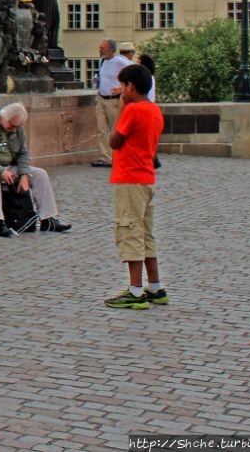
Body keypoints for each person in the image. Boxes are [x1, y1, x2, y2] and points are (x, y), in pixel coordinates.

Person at [103, 65, 167, 309]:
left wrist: (121, 109)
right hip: (146, 177)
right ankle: (155, 286)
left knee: (129, 230)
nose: (120, 91)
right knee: (146, 233)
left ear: (130, 87)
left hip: (128, 178)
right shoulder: (153, 110)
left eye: (122, 86)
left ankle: (135, 291)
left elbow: (114, 142)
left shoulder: (133, 111)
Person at [0, 102, 71, 237]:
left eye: (17, 126)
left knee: (40, 174)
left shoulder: (17, 128)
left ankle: (48, 219)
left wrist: (24, 174)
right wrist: (1, 171)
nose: (14, 129)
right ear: (4, 118)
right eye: (12, 126)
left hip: (9, 165)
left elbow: (23, 153)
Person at [91, 38, 132, 167]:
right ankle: (105, 157)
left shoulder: (120, 61)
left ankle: (118, 157)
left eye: (103, 48)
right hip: (101, 99)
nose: (100, 49)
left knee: (115, 130)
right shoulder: (102, 61)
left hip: (113, 100)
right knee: (101, 129)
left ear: (111, 49)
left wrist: (121, 89)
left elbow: (134, 72)